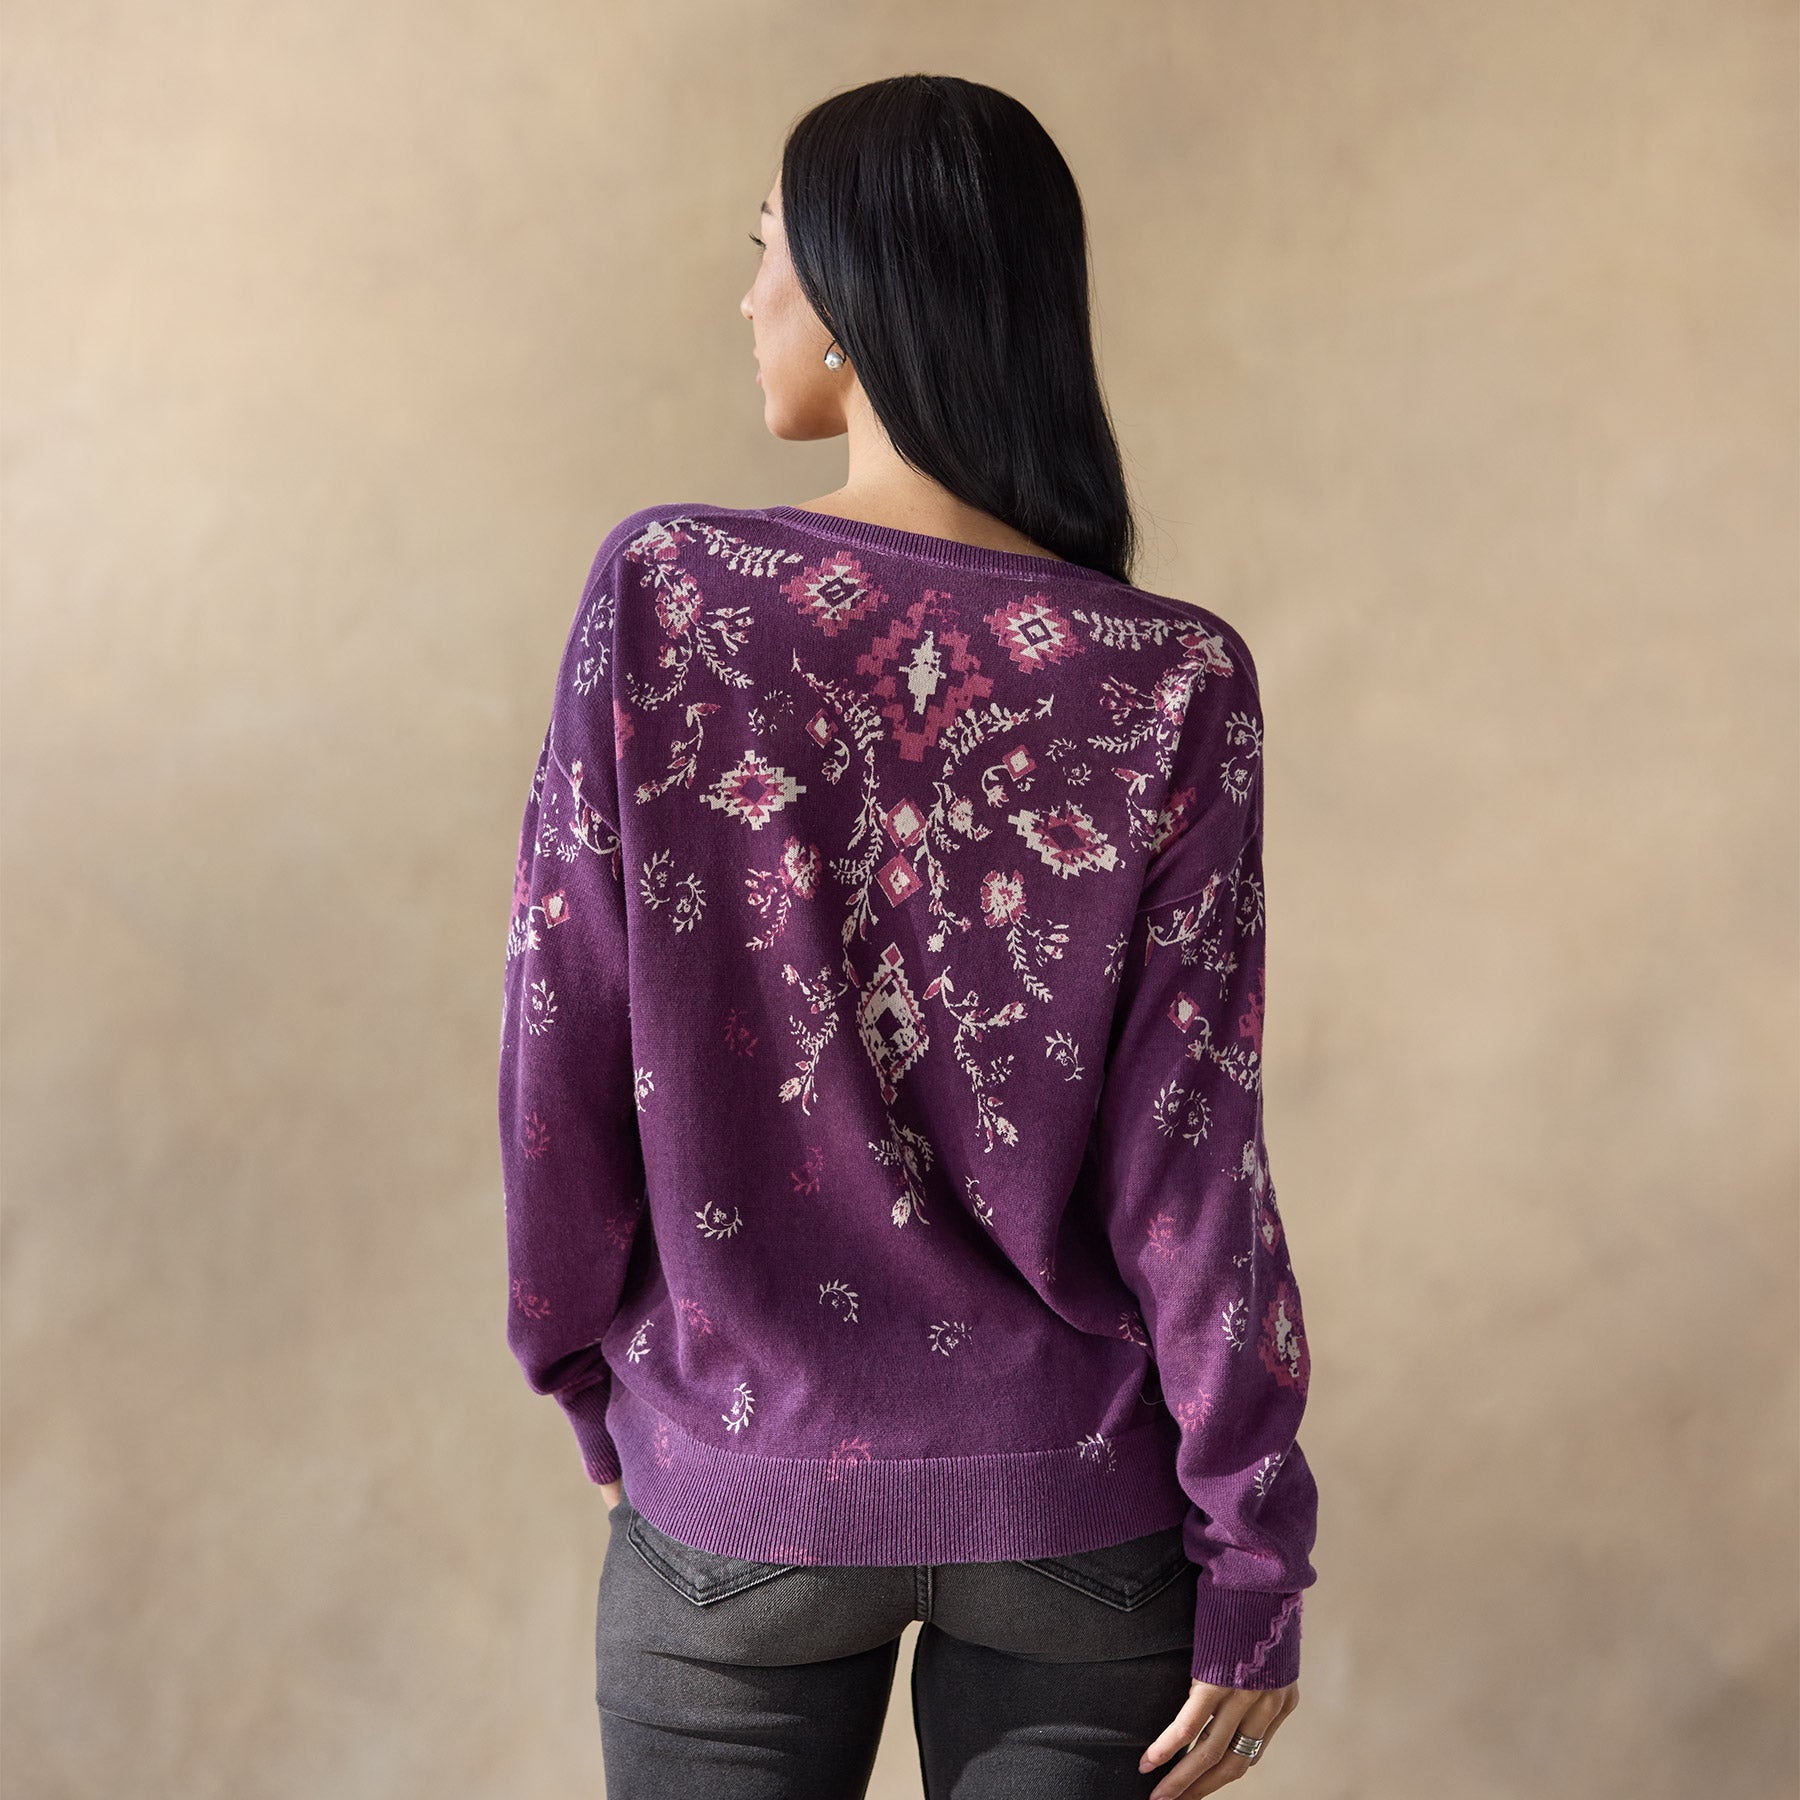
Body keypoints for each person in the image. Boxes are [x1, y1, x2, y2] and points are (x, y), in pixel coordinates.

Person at [497, 73, 1318, 1799]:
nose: (746, 301)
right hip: (1079, 1507)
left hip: (740, 1481)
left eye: (767, 254)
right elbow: (1196, 1157)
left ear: (857, 298)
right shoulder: (1174, 677)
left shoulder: (671, 593)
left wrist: (582, 1364)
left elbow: (562, 1031)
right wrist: (1254, 1545)